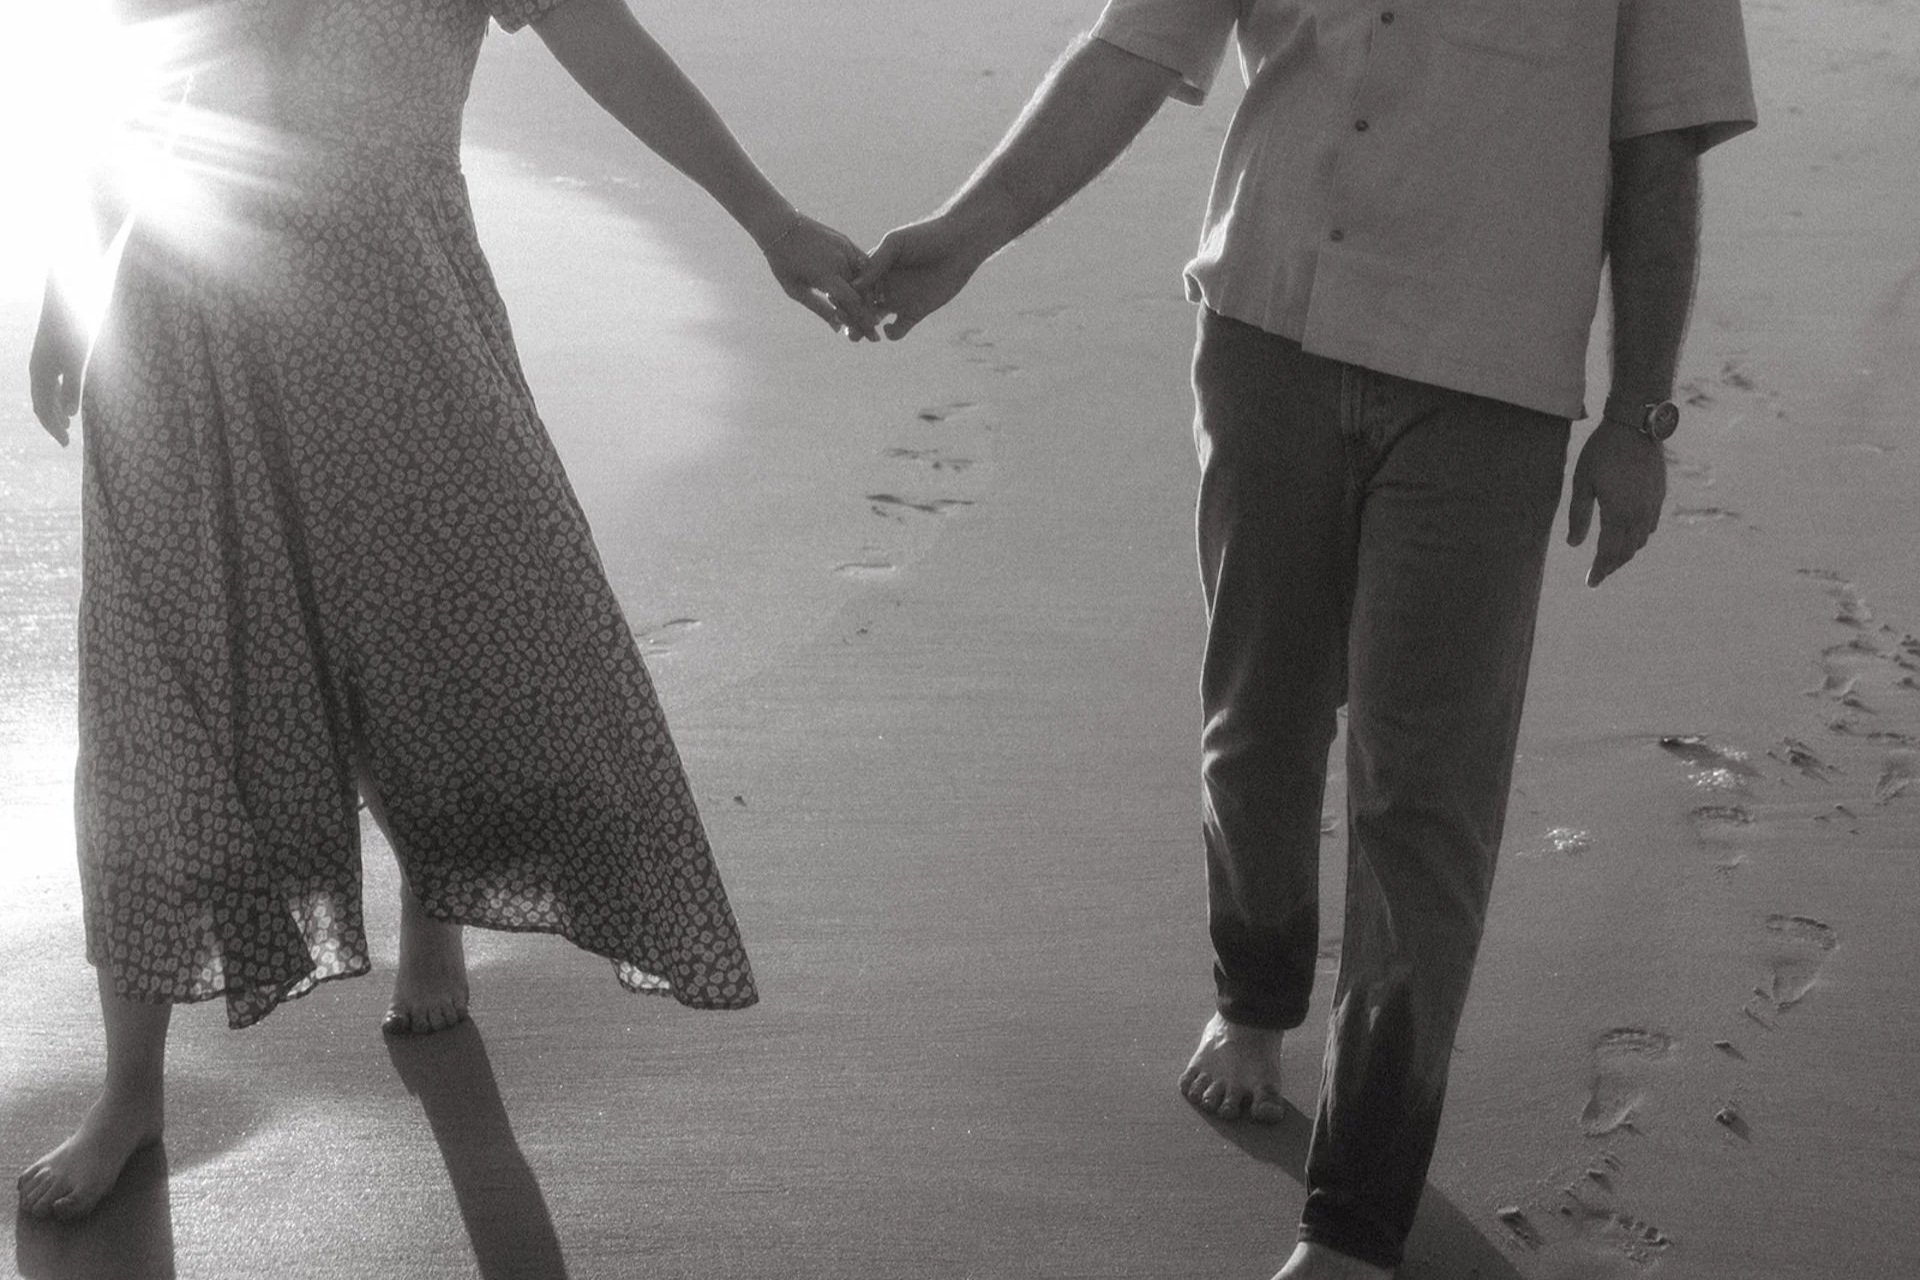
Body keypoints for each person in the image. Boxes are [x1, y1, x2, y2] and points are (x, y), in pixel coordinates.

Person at [857, 2, 1753, 1276]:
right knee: (1259, 717)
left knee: (1424, 789)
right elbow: (1136, 48)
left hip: (1486, 378)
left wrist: (1639, 415)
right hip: (1268, 325)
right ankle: (1255, 994)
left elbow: (1660, 145)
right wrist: (971, 229)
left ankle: (1356, 1215)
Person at [17, 0, 877, 1223]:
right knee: (155, 693)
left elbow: (604, 40)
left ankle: (439, 896)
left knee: (440, 637)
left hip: (393, 315)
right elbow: (140, 83)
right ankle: (131, 1091)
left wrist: (768, 216)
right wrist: (66, 290)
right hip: (177, 317)